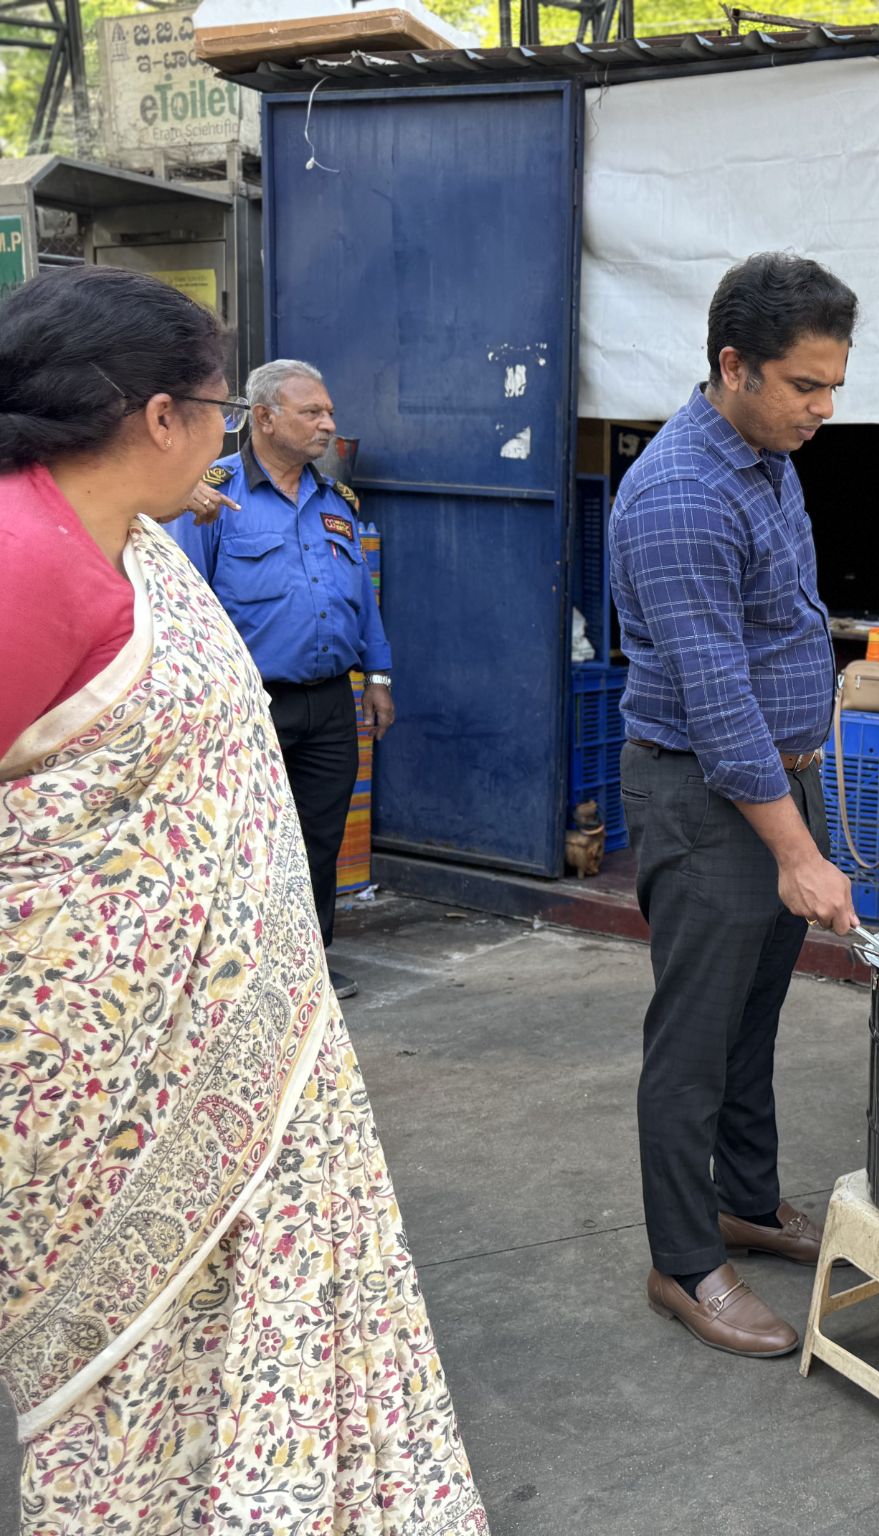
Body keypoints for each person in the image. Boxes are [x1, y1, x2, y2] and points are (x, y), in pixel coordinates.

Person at [1, 267, 487, 1530]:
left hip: (230, 1037)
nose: (224, 436)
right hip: (106, 1077)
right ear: (155, 415)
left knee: (226, 1330)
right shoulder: (25, 560)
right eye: (216, 407)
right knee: (140, 1357)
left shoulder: (125, 533)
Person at [611, 253, 861, 1359]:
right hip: (707, 796)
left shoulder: (766, 458)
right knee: (693, 1039)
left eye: (832, 385)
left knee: (752, 1019)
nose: (822, 409)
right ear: (732, 364)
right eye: (804, 386)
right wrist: (798, 855)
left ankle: (746, 1204)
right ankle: (682, 1259)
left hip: (774, 775)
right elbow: (713, 699)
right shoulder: (679, 495)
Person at [168, 359, 392, 1001]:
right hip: (248, 706)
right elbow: (188, 602)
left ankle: (308, 964)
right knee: (246, 840)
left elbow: (361, 599)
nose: (329, 424)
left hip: (329, 701)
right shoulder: (216, 496)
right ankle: (239, 974)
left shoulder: (337, 502)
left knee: (320, 835)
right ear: (263, 418)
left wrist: (377, 675)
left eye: (328, 412)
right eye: (312, 412)